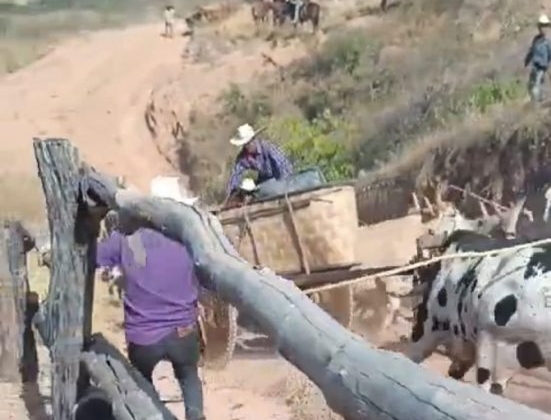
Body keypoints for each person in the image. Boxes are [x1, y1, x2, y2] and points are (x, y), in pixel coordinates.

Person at [96, 178, 205, 420]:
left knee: (143, 385)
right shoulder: (189, 235)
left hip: (143, 335)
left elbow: (95, 257)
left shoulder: (126, 237)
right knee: (189, 377)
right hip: (184, 329)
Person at [224, 123, 293, 205]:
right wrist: (231, 194)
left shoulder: (268, 148)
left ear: (254, 139)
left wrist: (284, 187)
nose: (247, 146)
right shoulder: (244, 157)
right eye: (245, 144)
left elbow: (284, 166)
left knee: (270, 190)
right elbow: (235, 175)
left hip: (279, 179)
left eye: (249, 143)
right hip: (264, 183)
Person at [524, 13, 551, 102]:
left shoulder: (548, 41)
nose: (543, 28)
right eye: (541, 26)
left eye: (545, 26)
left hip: (542, 67)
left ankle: (536, 104)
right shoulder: (536, 39)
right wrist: (527, 60)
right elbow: (532, 51)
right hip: (535, 66)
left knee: (537, 85)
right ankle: (537, 100)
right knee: (531, 85)